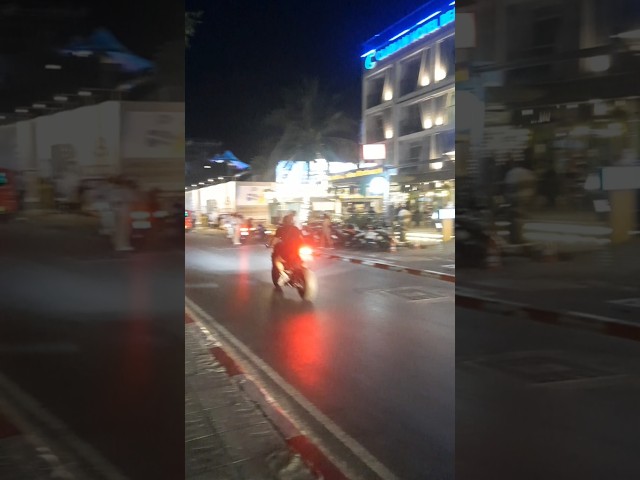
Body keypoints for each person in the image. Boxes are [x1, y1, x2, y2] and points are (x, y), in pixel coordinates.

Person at [269, 213, 304, 288]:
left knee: (277, 260)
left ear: (284, 222)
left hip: (288, 250)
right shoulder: (296, 229)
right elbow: (301, 238)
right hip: (299, 250)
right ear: (291, 221)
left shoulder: (280, 229)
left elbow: (275, 240)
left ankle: (283, 274)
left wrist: (271, 244)